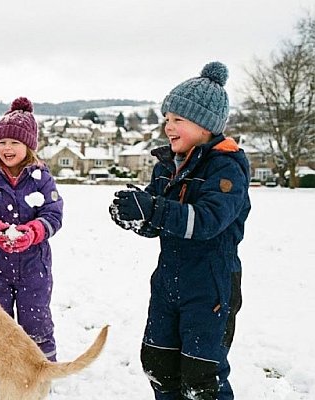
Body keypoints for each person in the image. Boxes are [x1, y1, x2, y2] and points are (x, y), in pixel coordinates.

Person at [108, 61, 250, 400]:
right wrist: (136, 217)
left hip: (211, 288)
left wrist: (153, 208)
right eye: (167, 119)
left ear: (205, 124)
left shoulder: (226, 168)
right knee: (159, 365)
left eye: (178, 120)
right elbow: (159, 222)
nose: (168, 127)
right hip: (168, 282)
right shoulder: (167, 165)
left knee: (201, 378)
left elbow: (205, 222)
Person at [0, 97, 64, 366]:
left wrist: (32, 232)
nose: (7, 148)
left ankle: (41, 370)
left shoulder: (41, 178)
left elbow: (53, 213)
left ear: (29, 146)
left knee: (36, 322)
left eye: (14, 142)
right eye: (2, 142)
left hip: (34, 266)